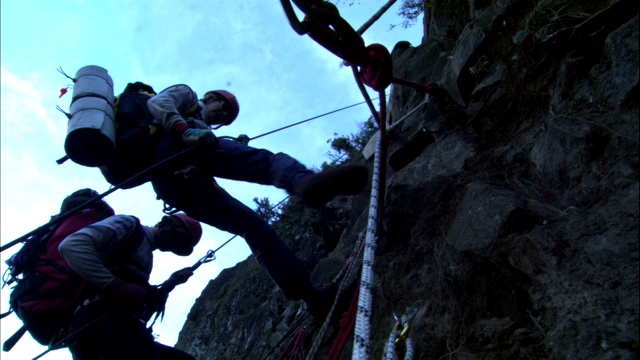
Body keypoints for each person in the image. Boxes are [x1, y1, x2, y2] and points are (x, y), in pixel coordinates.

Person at [144, 84, 368, 317]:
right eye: (223, 107)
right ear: (210, 97)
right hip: (179, 147)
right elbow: (157, 103)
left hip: (176, 186)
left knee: (253, 227)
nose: (223, 115)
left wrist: (234, 148)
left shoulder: (202, 132)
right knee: (268, 162)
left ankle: (312, 297)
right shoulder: (188, 96)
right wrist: (184, 131)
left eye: (227, 117)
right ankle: (302, 182)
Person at [58, 211, 203, 360]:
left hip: (105, 325)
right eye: (178, 238)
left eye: (181, 246)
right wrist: (115, 286)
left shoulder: (145, 256)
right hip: (98, 319)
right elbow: (72, 246)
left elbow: (137, 299)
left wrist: (170, 283)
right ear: (167, 223)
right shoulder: (129, 225)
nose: (175, 246)